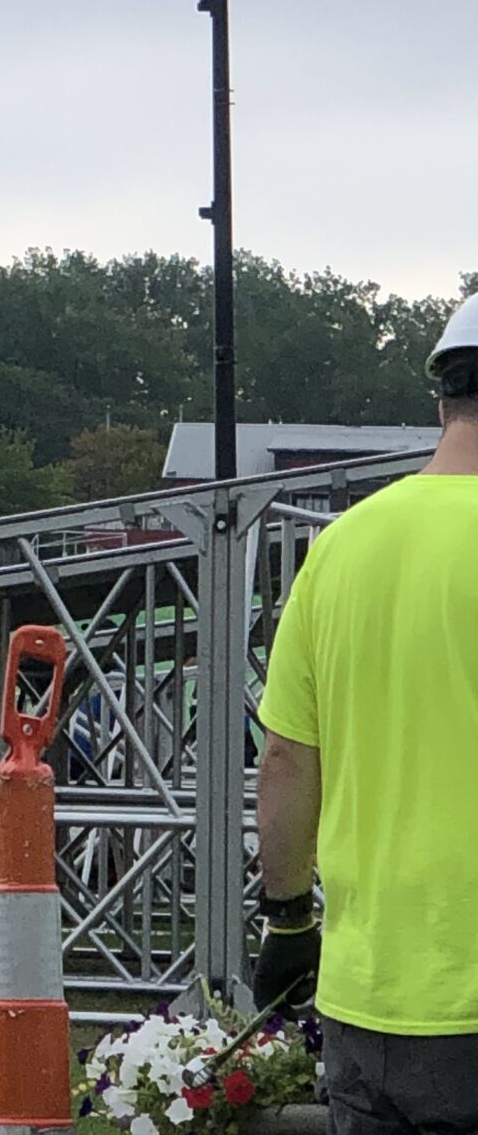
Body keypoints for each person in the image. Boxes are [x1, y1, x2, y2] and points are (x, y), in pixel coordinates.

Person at [254, 291, 478, 1132]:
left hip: (367, 997)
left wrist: (288, 922)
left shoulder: (340, 548)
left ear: (441, 400)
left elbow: (287, 760)